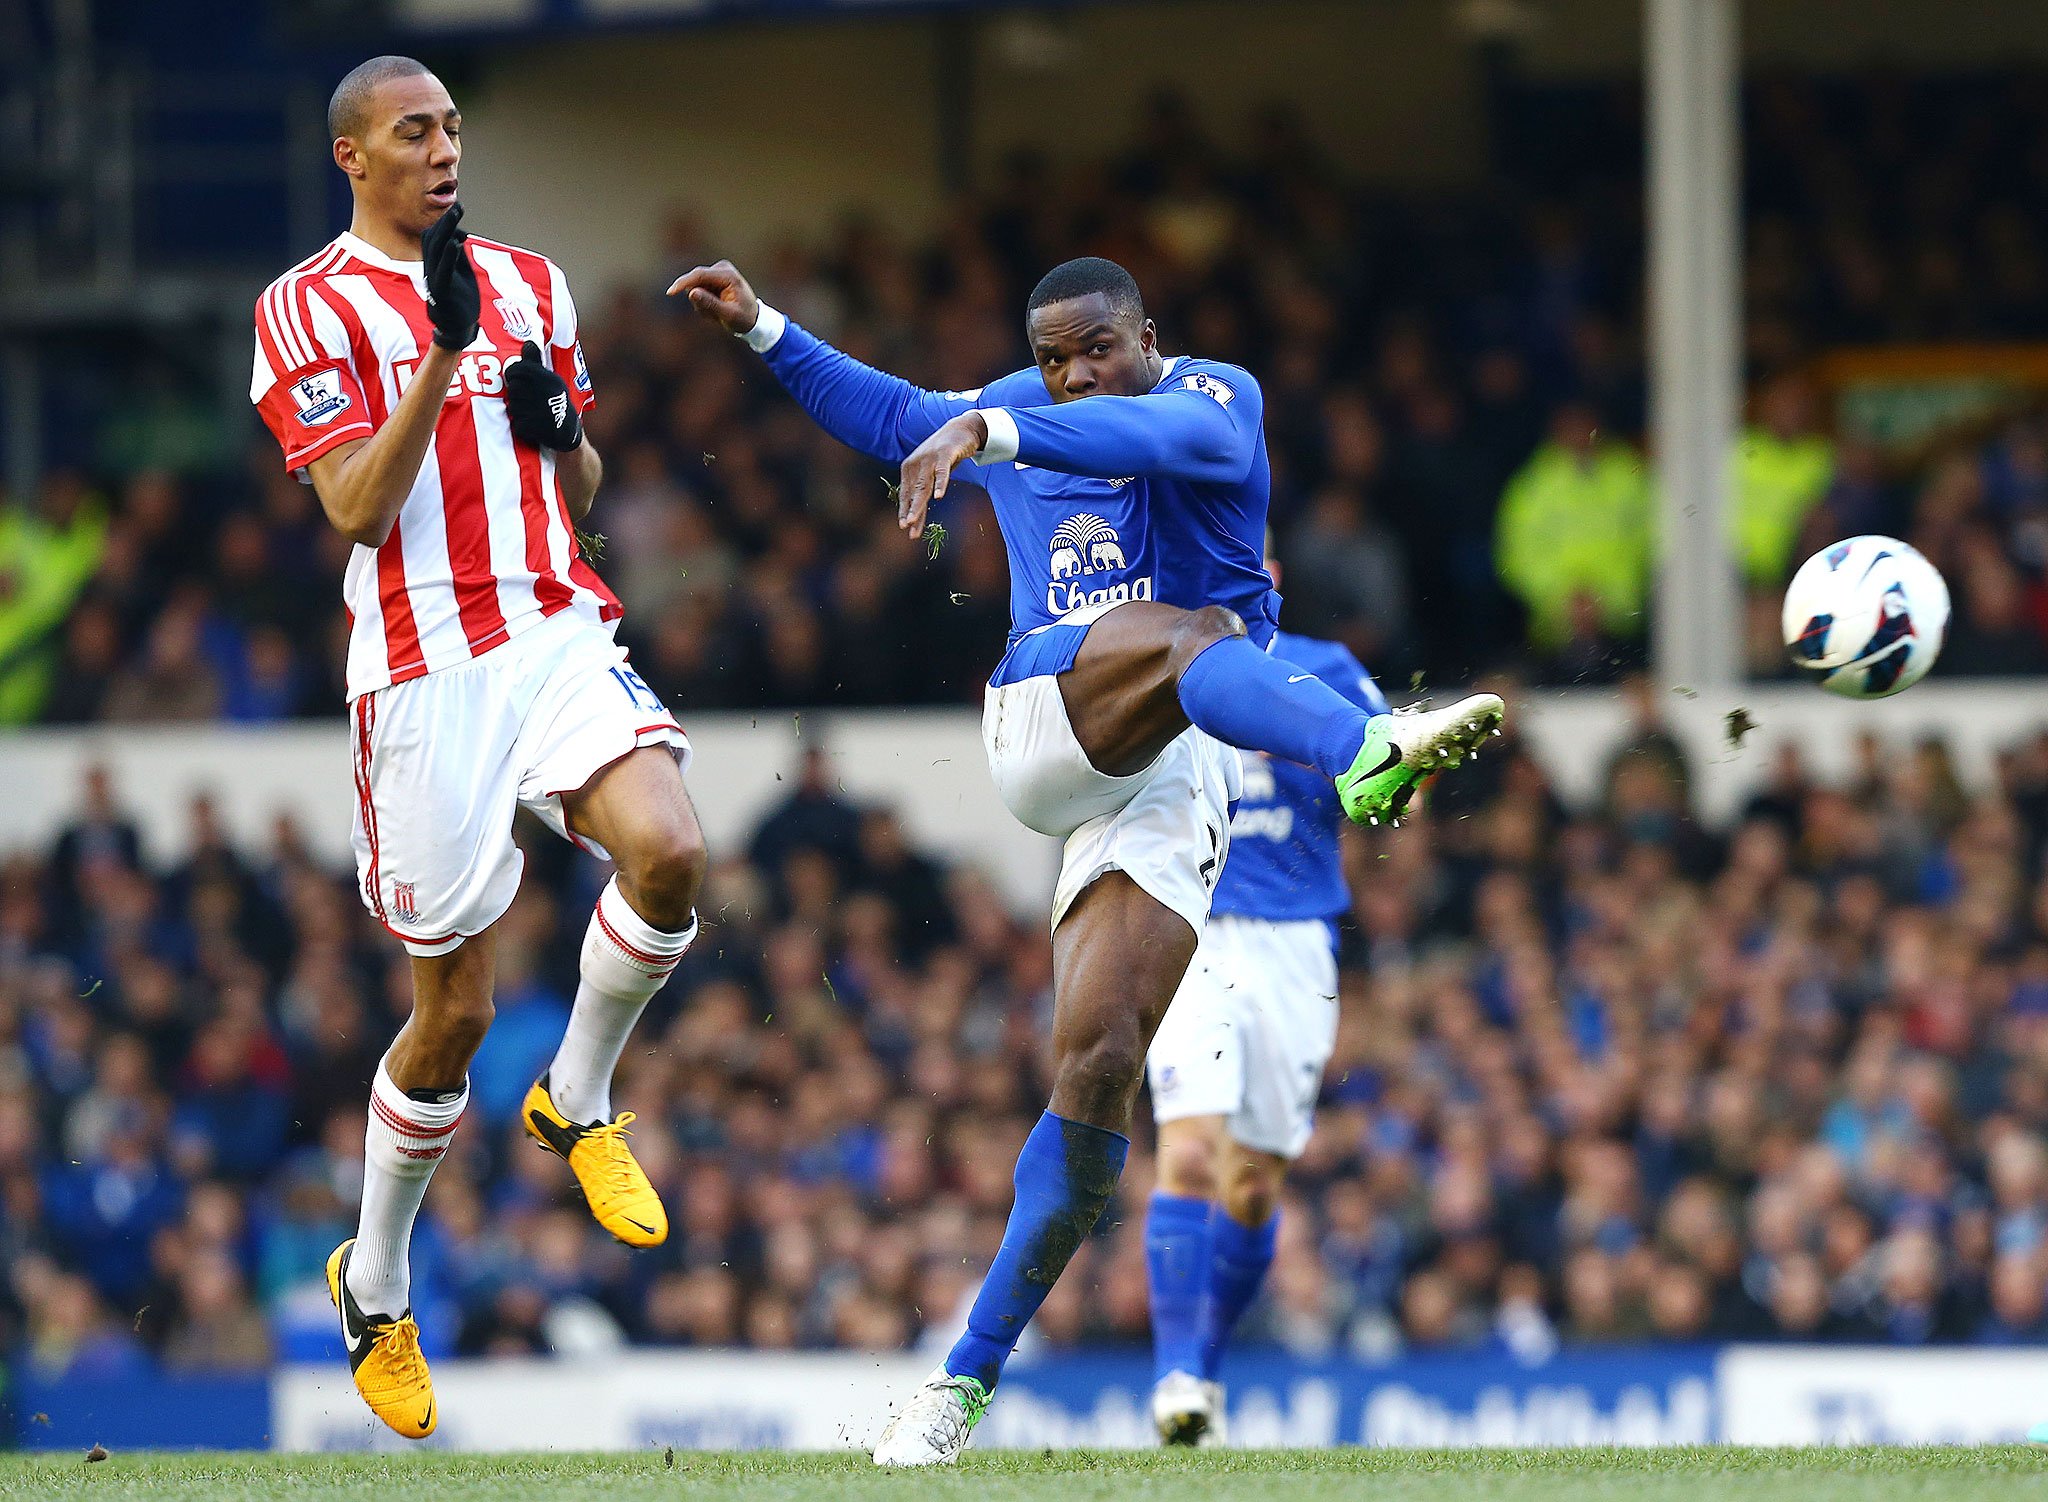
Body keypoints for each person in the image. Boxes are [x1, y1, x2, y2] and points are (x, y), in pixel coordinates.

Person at [674, 254, 1502, 1464]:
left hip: (1169, 776)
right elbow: (892, 414)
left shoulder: (1215, 395)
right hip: (1046, 715)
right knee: (1197, 632)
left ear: (1147, 334)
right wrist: (763, 328)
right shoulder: (1021, 407)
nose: (1070, 375)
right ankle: (1363, 749)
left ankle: (953, 1388)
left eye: (1094, 349)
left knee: (1102, 1065)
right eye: (1051, 359)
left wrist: (989, 428)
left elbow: (1165, 437)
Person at [251, 56, 706, 1438]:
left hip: (553, 626)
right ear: (353, 155)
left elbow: (578, 482)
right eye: (414, 132)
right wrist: (444, 357)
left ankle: (579, 1095)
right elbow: (352, 507)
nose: (444, 149)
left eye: (452, 127)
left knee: (671, 850)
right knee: (452, 1014)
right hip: (421, 669)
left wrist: (561, 435)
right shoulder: (302, 306)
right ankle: (377, 1280)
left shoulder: (531, 282)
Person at [1141, 548, 1387, 1445]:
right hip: (1192, 927)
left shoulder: (1328, 669)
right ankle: (1174, 1375)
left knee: (1250, 1188)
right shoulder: (1159, 661)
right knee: (1190, 1155)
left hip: (1296, 939)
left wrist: (1411, 768)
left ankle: (1203, 1368)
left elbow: (1389, 779)